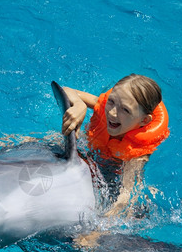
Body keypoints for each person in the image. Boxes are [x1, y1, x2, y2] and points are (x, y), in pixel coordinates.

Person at [60, 73, 169, 217]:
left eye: (125, 110)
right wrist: (79, 104)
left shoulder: (137, 153)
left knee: (131, 211)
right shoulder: (105, 107)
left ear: (144, 121)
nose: (111, 112)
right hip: (92, 153)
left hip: (112, 174)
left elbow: (125, 197)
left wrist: (98, 230)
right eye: (111, 101)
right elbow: (65, 90)